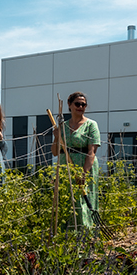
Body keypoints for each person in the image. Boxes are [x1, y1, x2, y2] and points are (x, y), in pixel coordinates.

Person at [52, 92, 100, 230]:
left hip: (85, 167)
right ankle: (66, 234)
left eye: (83, 104)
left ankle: (85, 234)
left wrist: (83, 173)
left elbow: (91, 152)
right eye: (77, 104)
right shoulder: (63, 126)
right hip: (65, 168)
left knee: (83, 201)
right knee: (67, 200)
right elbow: (55, 152)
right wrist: (56, 137)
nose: (81, 107)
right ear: (69, 105)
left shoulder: (91, 125)